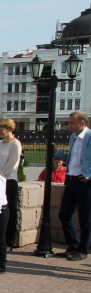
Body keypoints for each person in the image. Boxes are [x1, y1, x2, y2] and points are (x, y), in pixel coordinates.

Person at [55, 111, 91, 261]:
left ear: (82, 123)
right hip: (71, 180)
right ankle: (73, 245)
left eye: (71, 123)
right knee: (64, 214)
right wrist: (56, 152)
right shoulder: (73, 137)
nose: (68, 126)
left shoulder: (89, 137)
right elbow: (71, 159)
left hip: (85, 183)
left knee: (85, 218)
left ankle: (83, 250)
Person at [0, 117, 22, 250]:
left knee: (9, 209)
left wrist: (0, 176)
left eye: (1, 130)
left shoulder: (15, 144)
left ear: (9, 129)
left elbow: (12, 163)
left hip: (8, 180)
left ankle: (9, 240)